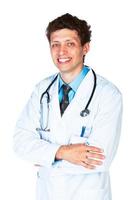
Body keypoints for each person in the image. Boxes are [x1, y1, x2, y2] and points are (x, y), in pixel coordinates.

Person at [13, 13, 123, 200]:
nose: (61, 51)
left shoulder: (108, 94)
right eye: (55, 44)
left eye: (69, 43)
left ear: (85, 48)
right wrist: (64, 152)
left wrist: (45, 156)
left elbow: (99, 160)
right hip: (47, 194)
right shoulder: (42, 90)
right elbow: (20, 143)